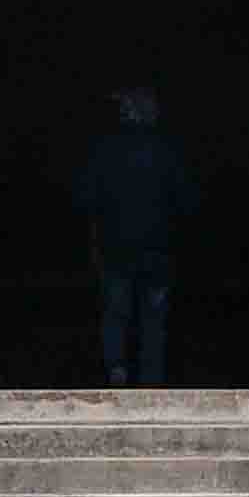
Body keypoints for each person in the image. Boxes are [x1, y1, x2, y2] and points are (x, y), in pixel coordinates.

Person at [74, 83, 191, 387]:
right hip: (157, 250)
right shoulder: (166, 150)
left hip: (116, 249)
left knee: (116, 314)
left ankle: (117, 371)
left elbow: (86, 198)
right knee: (153, 320)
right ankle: (151, 379)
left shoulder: (105, 151)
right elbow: (186, 201)